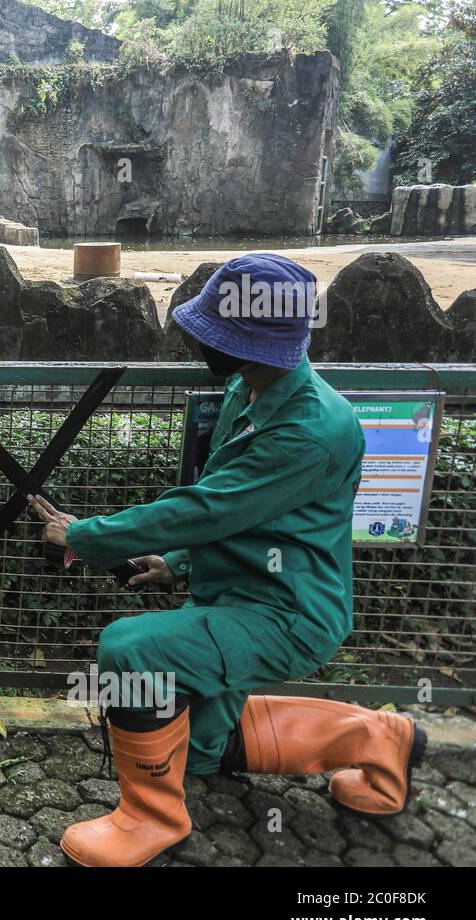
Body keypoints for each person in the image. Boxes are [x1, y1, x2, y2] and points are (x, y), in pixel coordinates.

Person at [28, 253, 426, 868]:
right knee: (204, 749)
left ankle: (150, 820)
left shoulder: (311, 430)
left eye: (214, 332)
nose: (200, 342)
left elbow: (208, 507)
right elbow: (240, 508)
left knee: (132, 651)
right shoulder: (249, 385)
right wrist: (179, 563)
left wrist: (87, 535)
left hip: (285, 611)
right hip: (235, 592)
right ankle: (381, 738)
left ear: (253, 340)